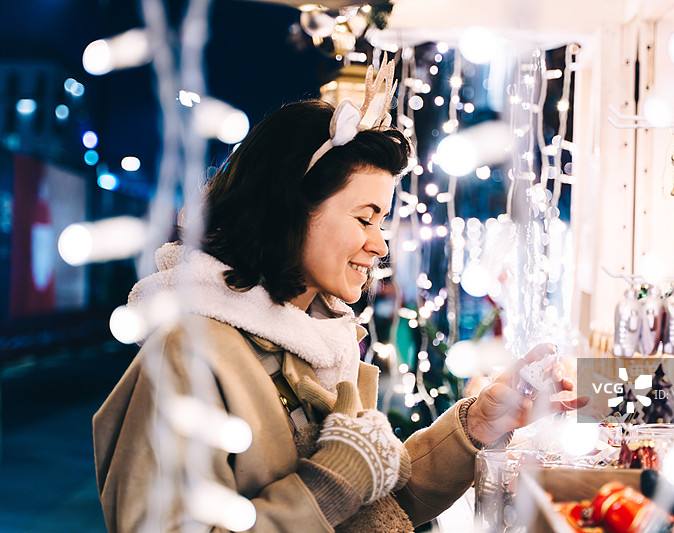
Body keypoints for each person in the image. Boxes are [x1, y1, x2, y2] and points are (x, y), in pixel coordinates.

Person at [93, 71, 580, 533]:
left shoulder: (318, 341)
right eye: (365, 218)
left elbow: (378, 508)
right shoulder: (188, 355)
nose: (380, 244)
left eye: (382, 222)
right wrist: (332, 483)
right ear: (289, 209)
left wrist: (476, 425)